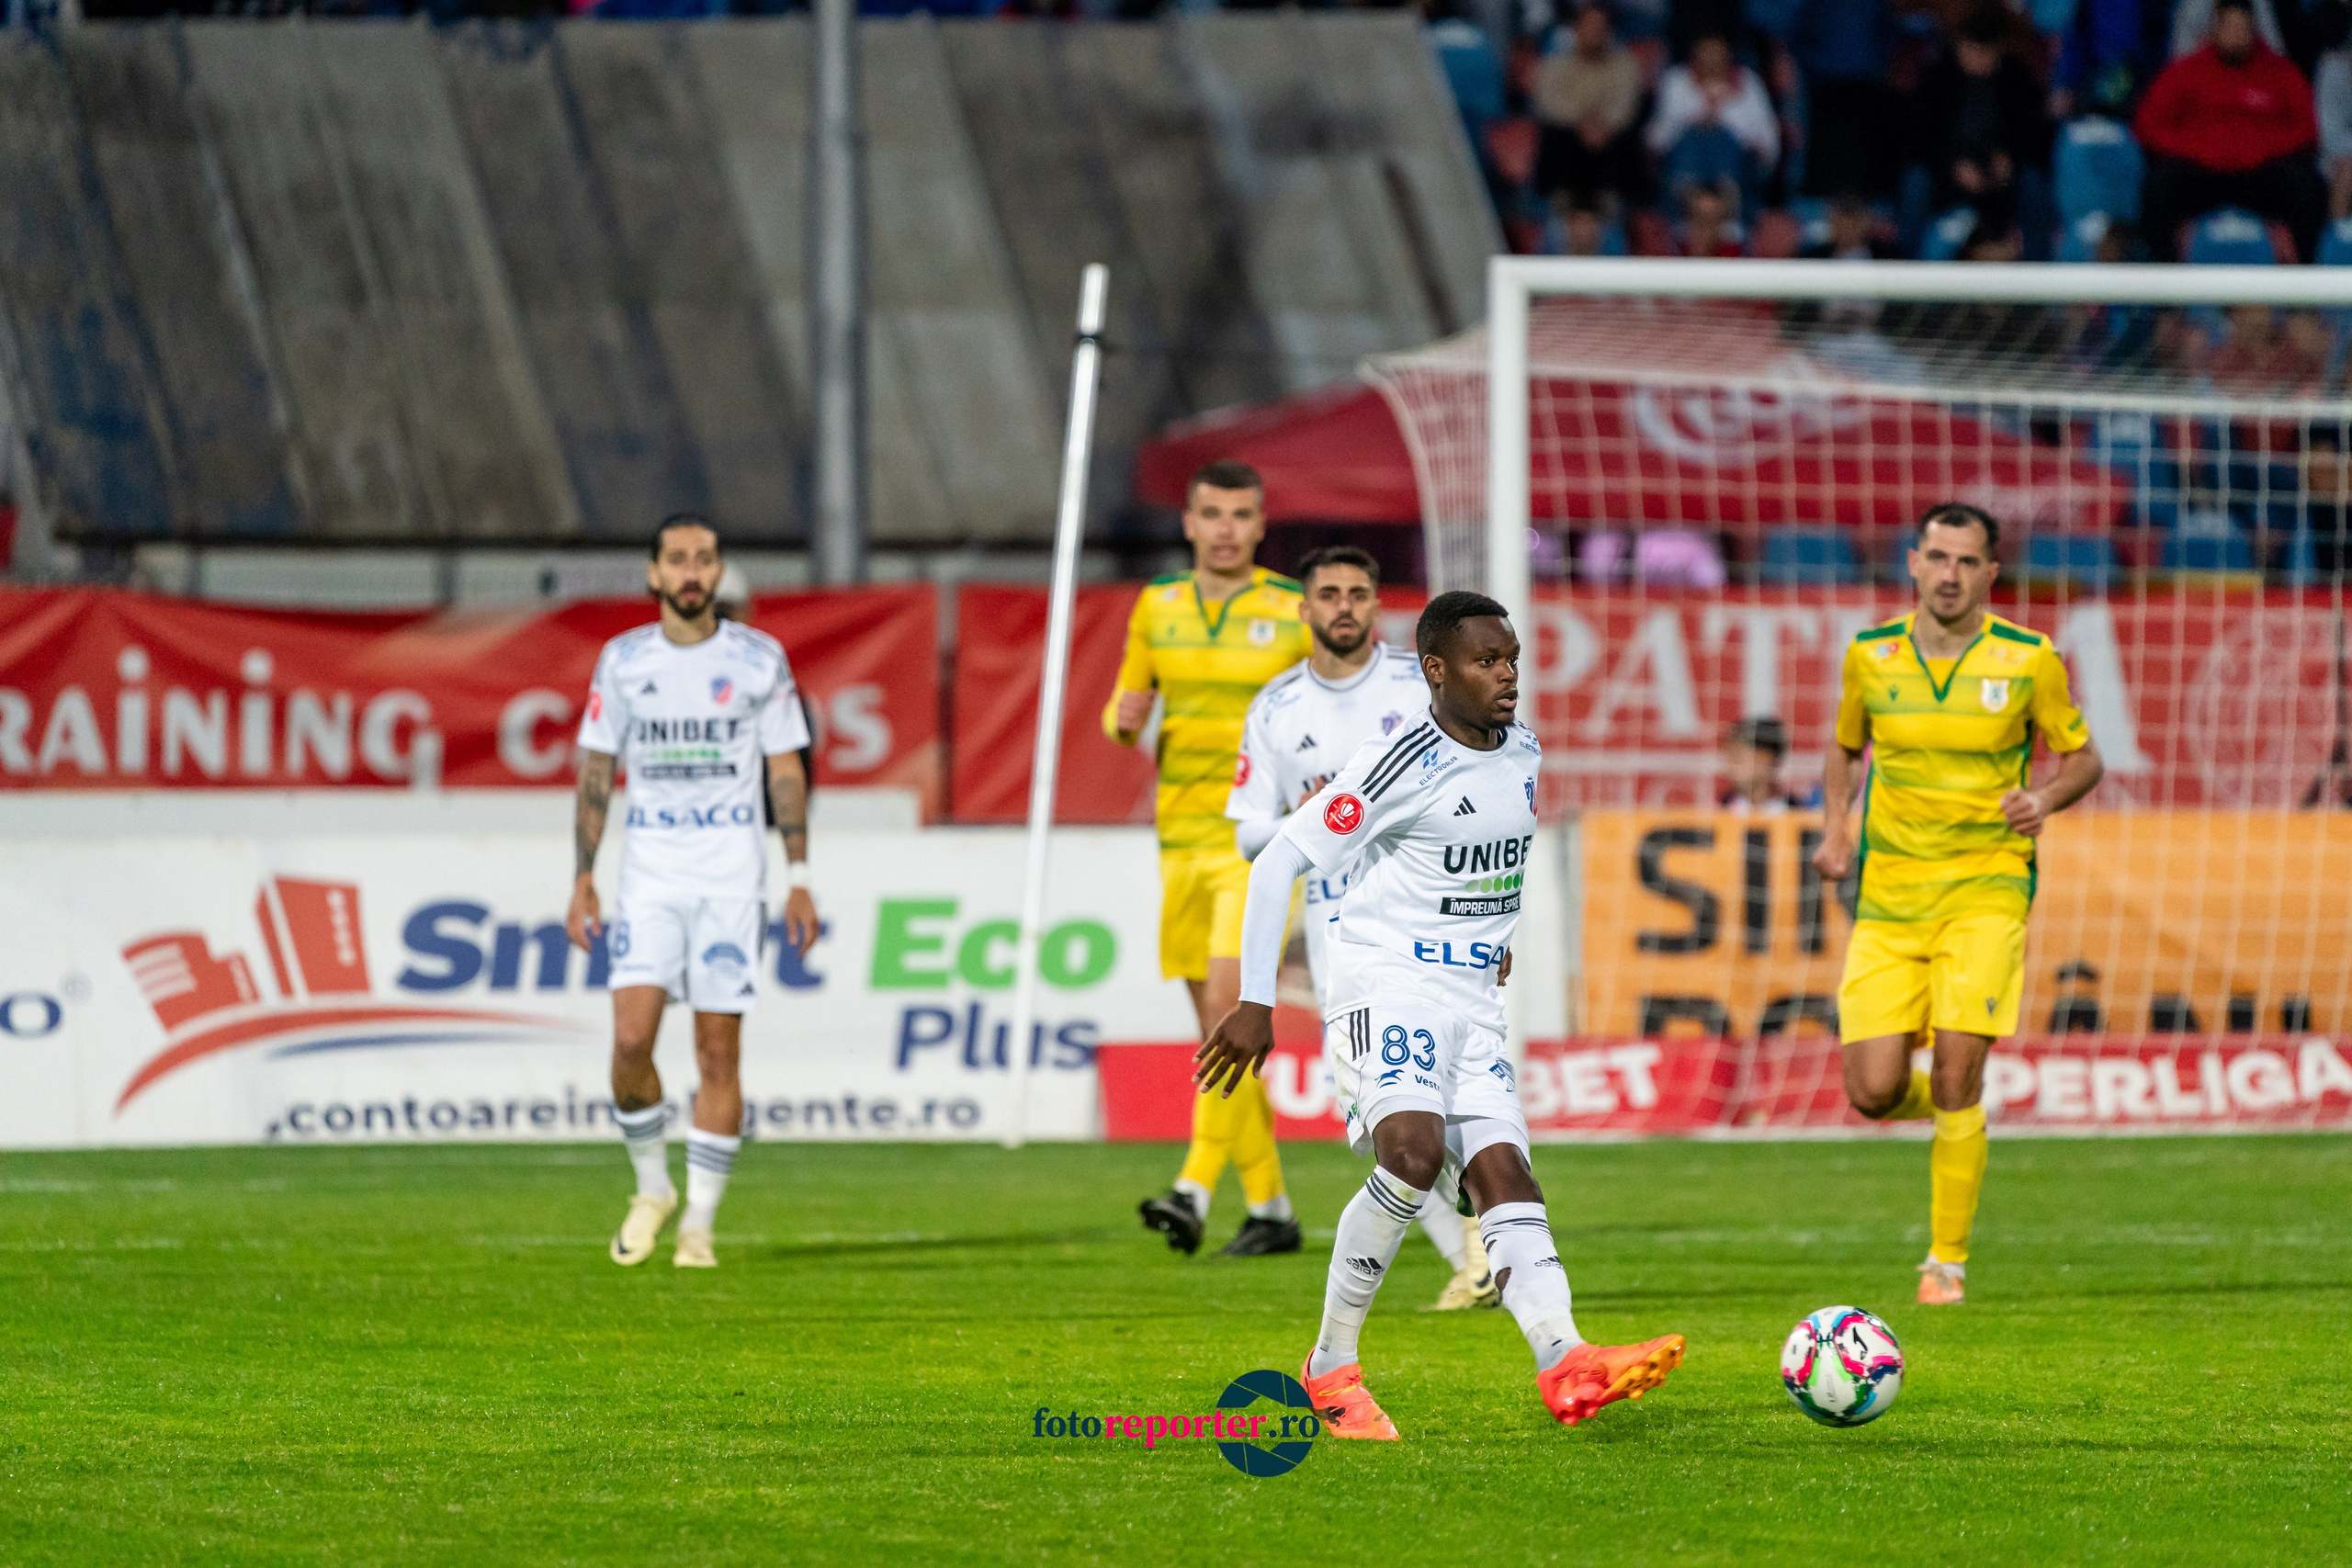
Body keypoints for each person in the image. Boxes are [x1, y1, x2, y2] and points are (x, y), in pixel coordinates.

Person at [1197, 592, 1686, 1438]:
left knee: (1506, 1174)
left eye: (1512, 660)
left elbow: (1493, 865)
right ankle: (1331, 1367)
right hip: (1387, 983)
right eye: (1486, 661)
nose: (1507, 677)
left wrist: (1489, 938)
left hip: (1473, 1000)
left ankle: (1566, 1358)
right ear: (1435, 668)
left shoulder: (1523, 750)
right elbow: (1277, 860)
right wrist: (1255, 1000)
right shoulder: (1399, 763)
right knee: (1413, 1152)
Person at [1811, 504, 2104, 1306]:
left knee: (1955, 1068)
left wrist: (2044, 798)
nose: (1949, 573)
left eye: (1966, 561)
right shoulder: (1870, 655)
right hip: (1889, 897)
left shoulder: (2029, 659)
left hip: (1987, 887)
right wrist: (1837, 827)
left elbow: (2083, 758)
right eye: (1937, 557)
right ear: (1912, 562)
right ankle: (1958, 1106)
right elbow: (1844, 746)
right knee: (1870, 1092)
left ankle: (1945, 1262)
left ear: (1990, 574)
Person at [1225, 547, 1498, 1312]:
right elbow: (1249, 832)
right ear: (1304, 608)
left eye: (1358, 592)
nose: (1344, 605)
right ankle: (1479, 1244)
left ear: (1378, 606)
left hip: (1426, 916)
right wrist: (1320, 822)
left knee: (1421, 1105)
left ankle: (1482, 1247)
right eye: (1329, 593)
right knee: (1385, 1120)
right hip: (1338, 933)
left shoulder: (1424, 688)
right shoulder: (1277, 708)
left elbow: (1482, 790)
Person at [566, 515, 821, 1270]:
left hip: (731, 880)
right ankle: (653, 1188)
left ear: (718, 573)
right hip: (650, 876)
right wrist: (581, 876)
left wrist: (799, 877)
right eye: (676, 559)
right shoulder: (622, 662)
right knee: (630, 1040)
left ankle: (699, 1225)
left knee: (717, 1051)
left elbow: (786, 769)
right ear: (653, 574)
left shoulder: (758, 660)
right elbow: (594, 770)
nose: (690, 572)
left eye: (703, 560)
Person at [1114, 461, 1311, 1258]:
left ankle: (1192, 1188)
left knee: (1232, 1006)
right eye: (1211, 513)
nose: (1226, 527)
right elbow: (1124, 713)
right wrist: (1122, 718)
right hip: (1179, 841)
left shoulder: (1293, 612)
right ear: (1189, 523)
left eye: (1241, 514)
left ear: (1261, 526)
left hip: (1261, 842)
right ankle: (1271, 1207)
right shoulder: (1156, 606)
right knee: (1214, 1028)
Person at [2134, 0, 2324, 262]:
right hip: (2202, 173)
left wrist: (2257, 150)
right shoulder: (2184, 72)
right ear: (2215, 28)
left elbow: (2306, 129)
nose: (2236, 35)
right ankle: (2165, 289)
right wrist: (2202, 149)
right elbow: (2149, 126)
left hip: (2260, 174)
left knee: (2306, 184)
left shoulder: (2281, 73)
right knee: (2158, 186)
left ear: (2254, 30)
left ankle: (2304, 286)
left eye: (2242, 28)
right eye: (2229, 27)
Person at [1913, 8, 2052, 235]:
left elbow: (2032, 131)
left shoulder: (2016, 79)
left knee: (2033, 184)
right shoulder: (1936, 79)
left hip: (2001, 176)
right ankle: (1909, 265)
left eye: (1986, 54)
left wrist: (2009, 158)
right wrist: (1952, 166)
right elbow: (1921, 137)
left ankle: (2037, 266)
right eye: (1972, 52)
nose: (1978, 61)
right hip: (1948, 172)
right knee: (1916, 182)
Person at [1645, 30, 1781, 213]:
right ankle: (1691, 203)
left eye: (1717, 53)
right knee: (1696, 135)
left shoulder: (1748, 83)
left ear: (1728, 55)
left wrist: (1723, 117)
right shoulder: (1676, 81)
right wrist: (1697, 116)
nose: (1711, 60)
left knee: (1720, 136)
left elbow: (1769, 141)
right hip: (1684, 162)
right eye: (1705, 52)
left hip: (1736, 166)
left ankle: (1725, 202)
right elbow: (1656, 139)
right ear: (1694, 55)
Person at [1534, 2, 1645, 209]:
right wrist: (1582, 123)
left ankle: (1612, 207)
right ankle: (1560, 203)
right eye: (1591, 26)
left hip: (1608, 140)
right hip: (1569, 138)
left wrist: (1601, 125)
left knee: (1626, 138)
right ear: (1576, 29)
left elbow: (1625, 106)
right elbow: (1549, 105)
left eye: (1601, 28)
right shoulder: (1555, 65)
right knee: (1554, 137)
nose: (1596, 32)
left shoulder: (1624, 65)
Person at [1716, 716, 1820, 813]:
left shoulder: (1799, 812)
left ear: (1773, 759)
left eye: (1740, 754)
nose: (1734, 762)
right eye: (1731, 754)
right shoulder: (1716, 812)